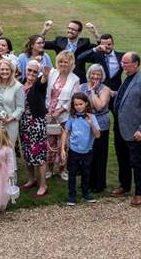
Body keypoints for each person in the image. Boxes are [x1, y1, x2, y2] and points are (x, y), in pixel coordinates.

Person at [112, 52, 141, 206]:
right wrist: (113, 94)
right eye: (122, 62)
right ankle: (124, 185)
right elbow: (126, 97)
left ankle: (140, 192)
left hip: (135, 131)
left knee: (136, 162)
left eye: (125, 63)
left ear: (136, 64)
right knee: (122, 159)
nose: (122, 65)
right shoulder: (128, 78)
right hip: (120, 128)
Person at [60, 92, 100, 205]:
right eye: (76, 105)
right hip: (73, 150)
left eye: (80, 104)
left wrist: (91, 124)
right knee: (72, 173)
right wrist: (63, 148)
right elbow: (66, 132)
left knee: (86, 172)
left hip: (87, 150)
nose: (78, 107)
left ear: (86, 103)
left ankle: (85, 192)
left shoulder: (92, 117)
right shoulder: (72, 117)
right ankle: (72, 195)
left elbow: (97, 135)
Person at [46, 51, 80, 180]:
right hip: (50, 114)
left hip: (64, 116)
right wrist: (50, 111)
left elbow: (74, 99)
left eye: (66, 62)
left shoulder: (75, 79)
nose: (63, 64)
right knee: (49, 143)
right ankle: (49, 169)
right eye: (60, 61)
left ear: (70, 63)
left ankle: (62, 169)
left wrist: (59, 111)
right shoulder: (52, 74)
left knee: (63, 144)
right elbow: (47, 93)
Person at [80, 63, 113, 193]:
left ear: (101, 76)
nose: (95, 76)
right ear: (89, 74)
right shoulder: (82, 87)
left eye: (98, 74)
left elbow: (99, 106)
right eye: (93, 74)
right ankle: (86, 183)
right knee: (86, 154)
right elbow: (76, 103)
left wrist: (93, 91)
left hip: (101, 126)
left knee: (99, 155)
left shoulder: (104, 89)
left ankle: (98, 184)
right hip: (84, 124)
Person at [19, 59, 49, 197]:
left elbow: (43, 81)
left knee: (39, 155)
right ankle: (31, 179)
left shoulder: (38, 84)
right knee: (27, 153)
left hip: (37, 123)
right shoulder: (21, 82)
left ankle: (43, 184)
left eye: (34, 71)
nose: (31, 73)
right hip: (24, 123)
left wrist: (45, 74)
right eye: (29, 70)